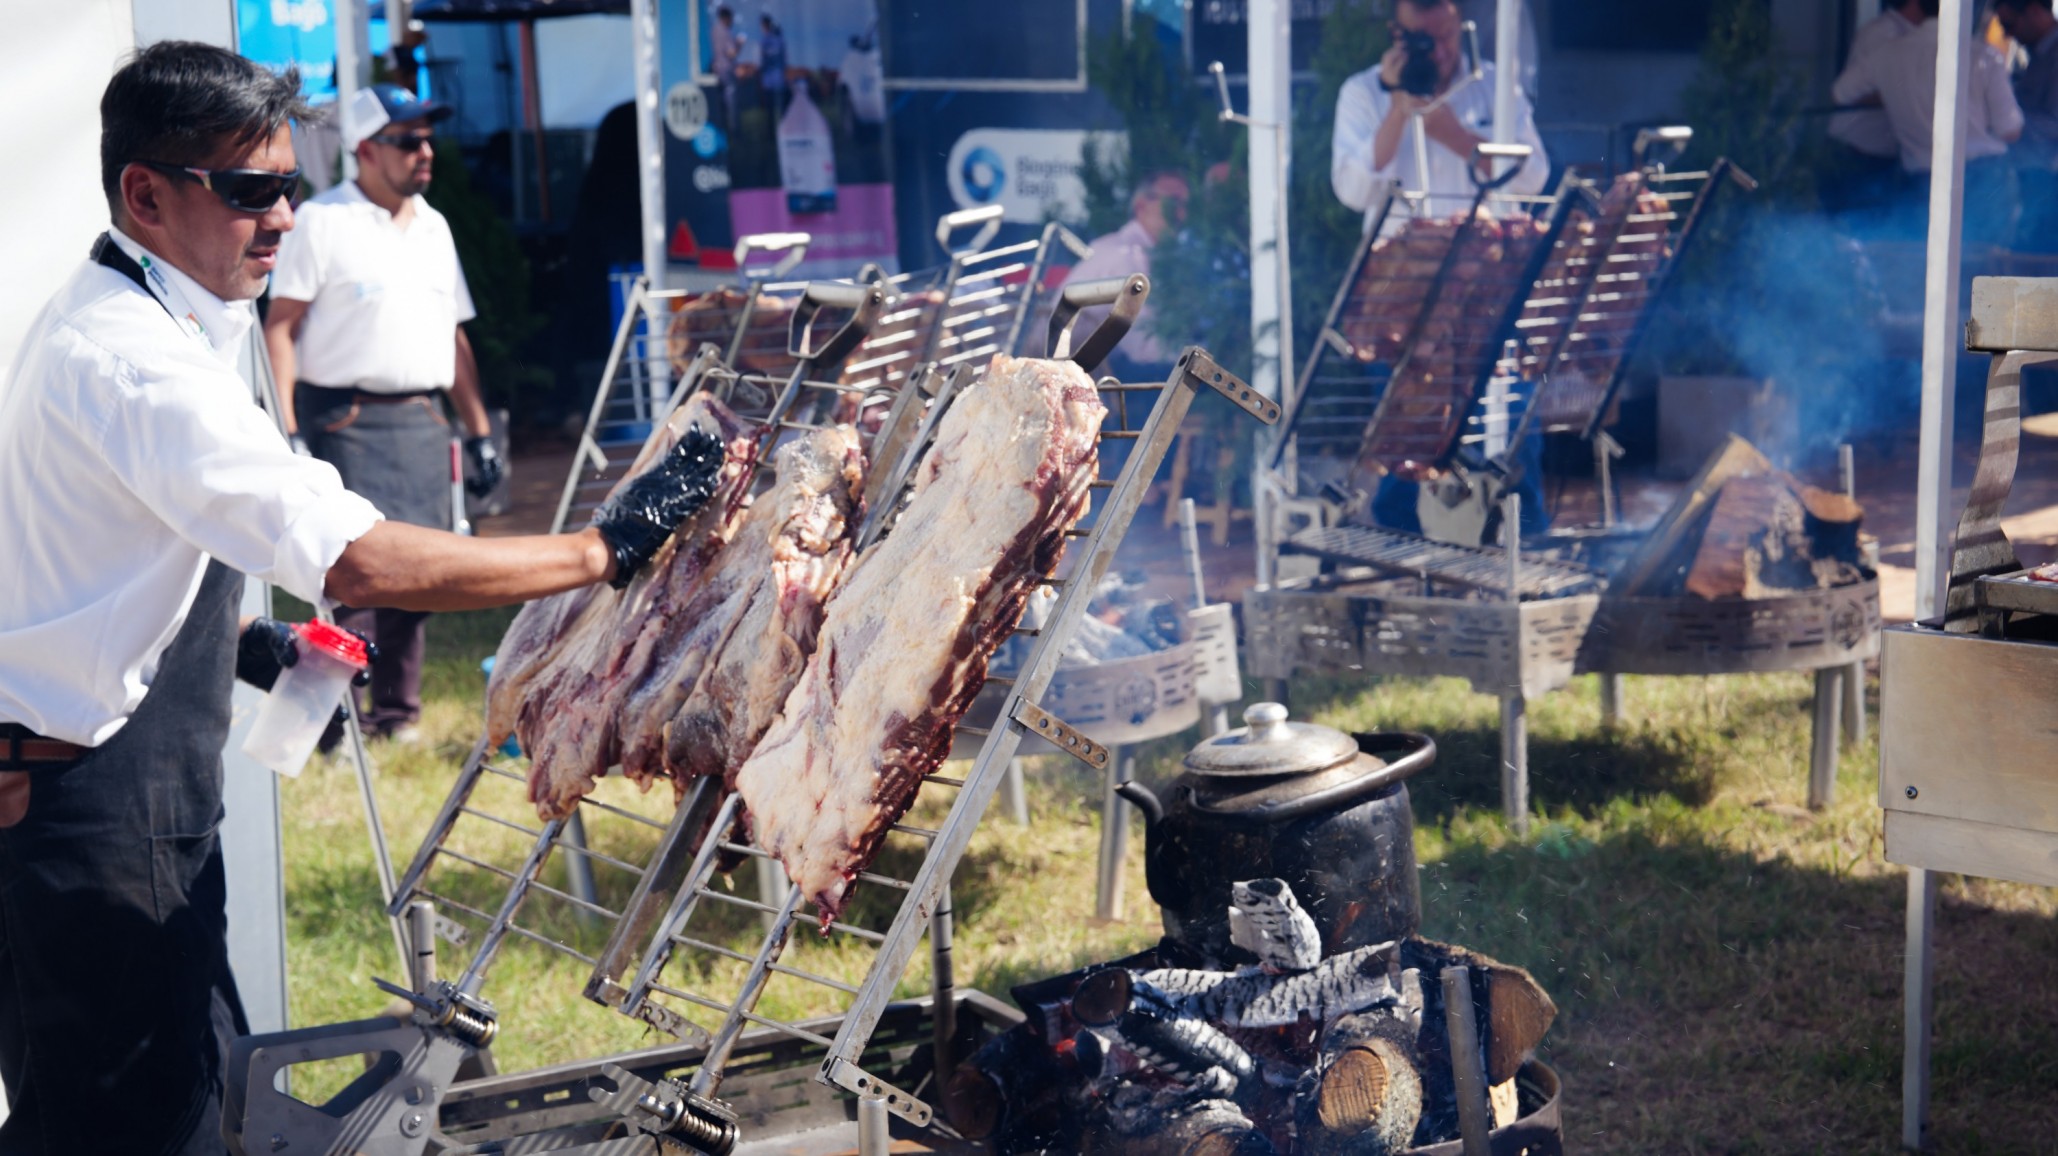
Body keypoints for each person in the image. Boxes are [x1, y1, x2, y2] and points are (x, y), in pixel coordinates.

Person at [0, 42, 722, 1155]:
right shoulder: (132, 360)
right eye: (248, 193)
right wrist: (602, 549)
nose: (283, 217)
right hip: (97, 813)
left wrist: (245, 640)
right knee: (139, 1130)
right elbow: (359, 560)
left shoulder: (147, 313)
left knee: (146, 1106)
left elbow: (102, 550)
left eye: (289, 185)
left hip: (118, 798)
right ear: (144, 192)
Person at [264, 84, 499, 744]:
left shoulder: (434, 225)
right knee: (349, 579)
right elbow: (280, 327)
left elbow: (454, 336)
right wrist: (285, 428)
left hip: (423, 417)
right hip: (345, 417)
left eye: (427, 139)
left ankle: (397, 718)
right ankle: (324, 729)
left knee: (417, 577)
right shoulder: (321, 221)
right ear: (365, 150)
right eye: (406, 140)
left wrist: (478, 431)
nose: (424, 152)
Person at [1331, 0, 1549, 233]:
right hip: (1400, 261)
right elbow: (1353, 194)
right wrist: (1396, 113)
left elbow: (1534, 179)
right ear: (1398, 35)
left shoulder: (1496, 86)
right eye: (1425, 41)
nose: (1440, 51)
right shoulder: (1363, 92)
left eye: (1447, 35)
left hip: (1482, 258)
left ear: (1462, 26)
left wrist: (1457, 137)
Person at [1831, 0, 2024, 246]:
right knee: (1987, 267)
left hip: (1923, 179)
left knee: (1925, 264)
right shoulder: (1981, 56)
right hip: (1984, 179)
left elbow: (1840, 93)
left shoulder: (1887, 53)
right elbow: (2010, 130)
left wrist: (1894, 93)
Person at [1066, 170, 1190, 377]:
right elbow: (1143, 348)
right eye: (1174, 203)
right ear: (1141, 206)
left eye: (1186, 206)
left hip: (1086, 371)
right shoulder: (1128, 258)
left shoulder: (1130, 249)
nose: (1182, 214)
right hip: (1074, 375)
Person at [1996, 0, 2058, 250]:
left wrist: (2006, 118)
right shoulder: (2042, 53)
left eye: (2010, 24)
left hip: (2047, 175)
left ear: (2033, 11)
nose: (2008, 34)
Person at [760, 14, 789, 117]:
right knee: (780, 111)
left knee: (772, 113)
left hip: (771, 82)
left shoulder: (766, 41)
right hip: (777, 81)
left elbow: (763, 62)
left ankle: (773, 132)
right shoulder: (779, 41)